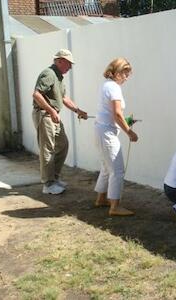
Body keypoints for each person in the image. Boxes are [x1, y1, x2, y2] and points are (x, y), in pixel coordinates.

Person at [32, 49, 87, 195]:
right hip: (44, 115)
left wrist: (78, 111)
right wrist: (51, 111)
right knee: (47, 149)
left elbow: (63, 98)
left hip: (52, 115)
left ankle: (54, 179)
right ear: (60, 61)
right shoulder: (49, 74)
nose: (70, 67)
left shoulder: (59, 76)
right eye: (69, 63)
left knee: (63, 145)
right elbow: (37, 94)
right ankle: (48, 184)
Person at [94, 58, 138, 216]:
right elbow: (117, 114)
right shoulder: (114, 87)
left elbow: (112, 115)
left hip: (102, 130)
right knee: (117, 170)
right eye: (125, 74)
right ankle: (115, 206)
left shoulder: (106, 85)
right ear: (117, 72)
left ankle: (101, 199)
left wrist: (125, 123)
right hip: (106, 132)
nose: (126, 77)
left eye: (128, 74)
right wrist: (130, 132)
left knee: (107, 168)